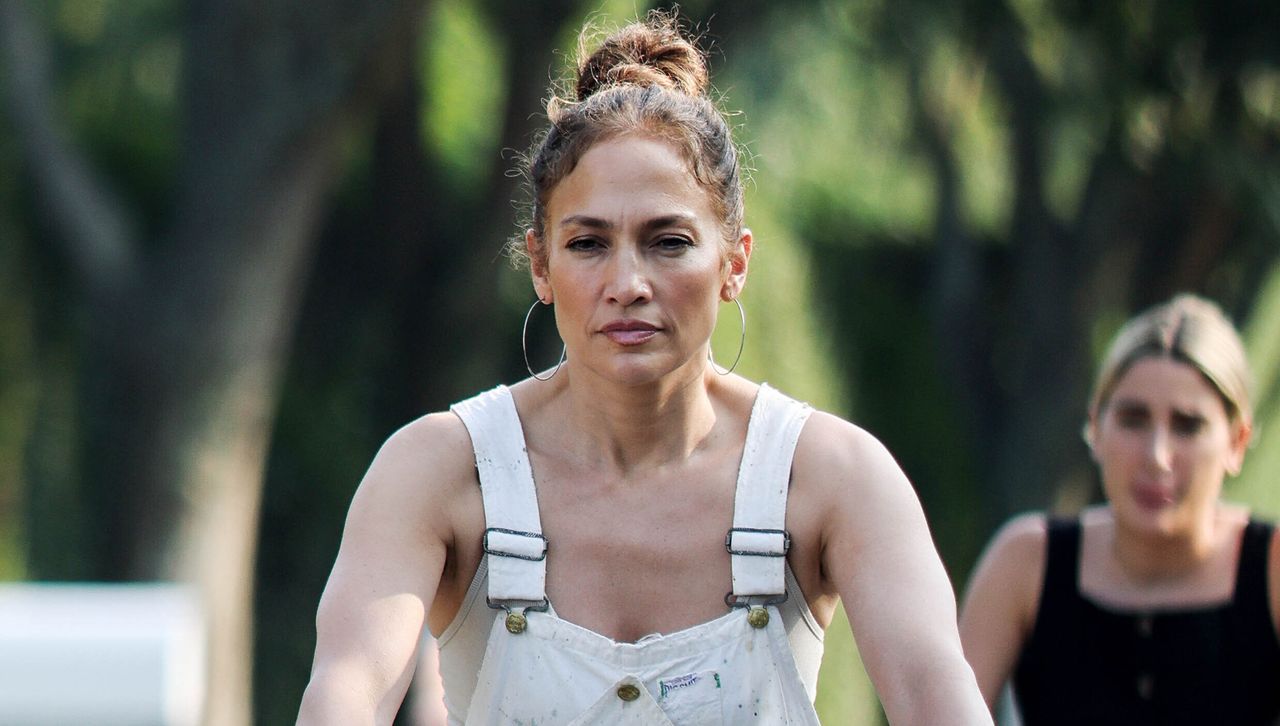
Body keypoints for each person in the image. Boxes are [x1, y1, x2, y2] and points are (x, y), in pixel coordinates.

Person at [297, 13, 990, 725]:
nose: (627, 282)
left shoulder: (833, 476)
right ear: (540, 264)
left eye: (668, 241)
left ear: (734, 263)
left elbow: (938, 694)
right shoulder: (440, 470)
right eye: (590, 243)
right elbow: (344, 694)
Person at [959, 294, 1280, 724]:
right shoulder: (1027, 562)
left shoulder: (1272, 569)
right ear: (1095, 425)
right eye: (1133, 419)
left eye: (1188, 425)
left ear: (1236, 442)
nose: (1156, 456)